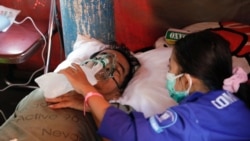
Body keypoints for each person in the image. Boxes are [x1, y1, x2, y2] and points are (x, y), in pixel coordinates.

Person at [52, 30, 250, 141]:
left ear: (186, 80)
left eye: (170, 68)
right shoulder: (233, 102)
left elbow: (126, 131)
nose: (102, 70)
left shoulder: (188, 119)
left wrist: (88, 90)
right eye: (100, 60)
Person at [0, 43, 140, 141]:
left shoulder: (119, 115)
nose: (103, 66)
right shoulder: (46, 87)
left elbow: (127, 132)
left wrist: (90, 101)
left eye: (116, 70)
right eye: (99, 59)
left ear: (117, 94)